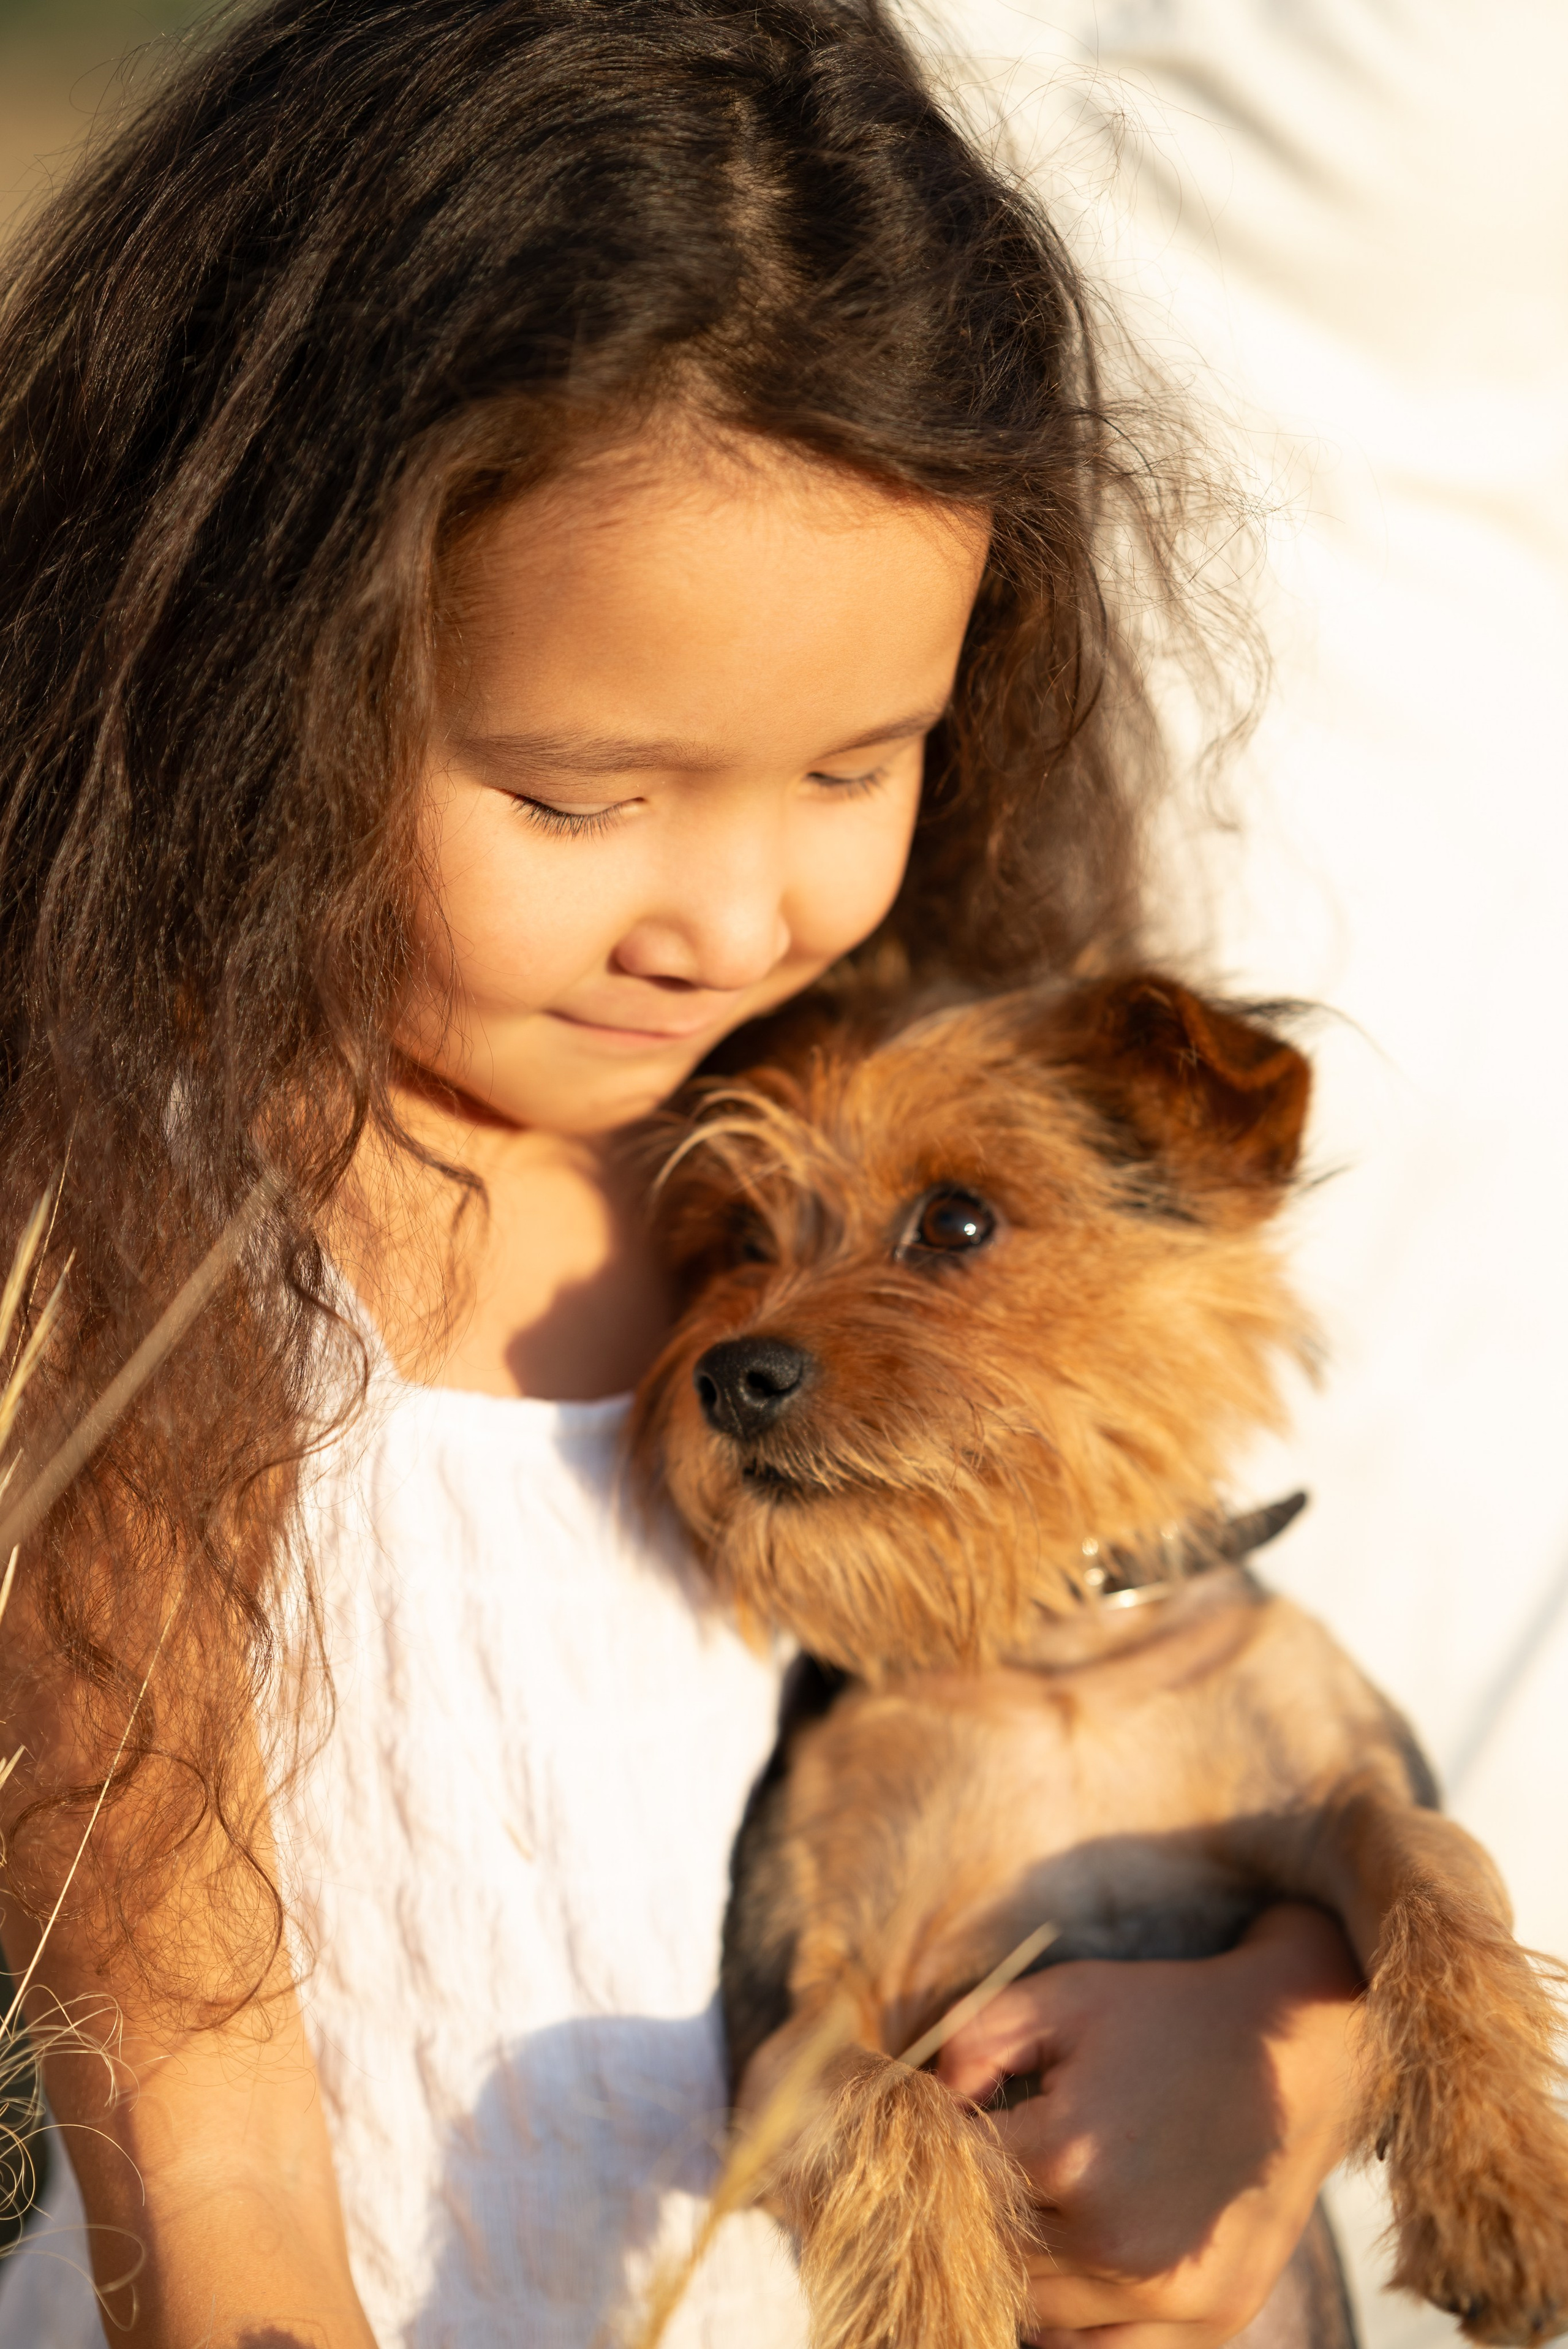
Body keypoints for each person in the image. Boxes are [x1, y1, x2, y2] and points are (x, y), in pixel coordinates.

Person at [0, 3, 1364, 2343]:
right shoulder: (131, 1221)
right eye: (574, 795)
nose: (731, 924)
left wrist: (1300, 2043)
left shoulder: (869, 1181)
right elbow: (198, 2119)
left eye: (859, 765)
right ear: (253, 656)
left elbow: (1180, 1716)